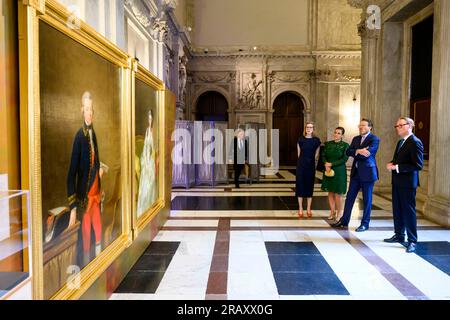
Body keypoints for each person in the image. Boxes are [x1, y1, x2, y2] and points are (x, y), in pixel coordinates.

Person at [67, 91, 104, 267]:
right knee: (86, 234)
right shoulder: (79, 137)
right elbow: (71, 174)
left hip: (97, 194)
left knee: (98, 231)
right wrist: (73, 207)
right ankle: (88, 266)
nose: (90, 113)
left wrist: (99, 170)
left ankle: (97, 265)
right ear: (82, 110)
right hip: (86, 197)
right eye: (87, 109)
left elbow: (93, 160)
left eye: (92, 110)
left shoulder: (93, 133)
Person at [332, 118, 379, 232]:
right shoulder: (356, 138)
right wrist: (359, 151)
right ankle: (344, 221)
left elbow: (367, 154)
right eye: (359, 125)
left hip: (368, 173)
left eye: (363, 125)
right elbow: (348, 152)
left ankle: (365, 224)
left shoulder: (374, 139)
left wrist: (356, 152)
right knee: (349, 198)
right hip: (355, 173)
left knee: (367, 199)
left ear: (370, 127)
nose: (360, 127)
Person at [384, 117, 424, 253]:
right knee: (397, 209)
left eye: (401, 125)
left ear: (410, 126)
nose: (398, 128)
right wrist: (392, 163)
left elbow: (418, 165)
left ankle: (412, 240)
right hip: (397, 181)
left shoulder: (415, 142)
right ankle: (399, 235)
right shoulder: (401, 142)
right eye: (397, 126)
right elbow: (397, 159)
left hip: (407, 183)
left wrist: (397, 167)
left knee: (408, 211)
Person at [321, 127, 349, 221]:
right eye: (335, 132)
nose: (336, 134)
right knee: (330, 192)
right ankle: (332, 211)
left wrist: (332, 164)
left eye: (339, 133)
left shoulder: (345, 145)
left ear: (342, 135)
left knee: (338, 193)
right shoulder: (328, 144)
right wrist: (326, 163)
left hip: (339, 171)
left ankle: (339, 212)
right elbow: (323, 155)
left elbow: (344, 159)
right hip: (328, 169)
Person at [296, 122, 321, 218]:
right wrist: (302, 162)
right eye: (307, 127)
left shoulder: (316, 140)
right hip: (301, 165)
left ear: (313, 129)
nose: (309, 129)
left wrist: (310, 161)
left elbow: (316, 154)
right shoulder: (300, 139)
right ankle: (300, 208)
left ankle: (309, 208)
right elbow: (299, 154)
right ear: (305, 129)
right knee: (300, 185)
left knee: (309, 186)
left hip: (310, 165)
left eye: (311, 127)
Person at [137, 109, 157, 217]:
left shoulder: (153, 131)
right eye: (148, 118)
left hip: (151, 160)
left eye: (151, 118)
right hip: (146, 160)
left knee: (151, 183)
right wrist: (145, 158)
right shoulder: (147, 131)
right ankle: (144, 207)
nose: (150, 120)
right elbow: (145, 148)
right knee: (145, 183)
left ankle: (151, 204)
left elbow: (153, 148)